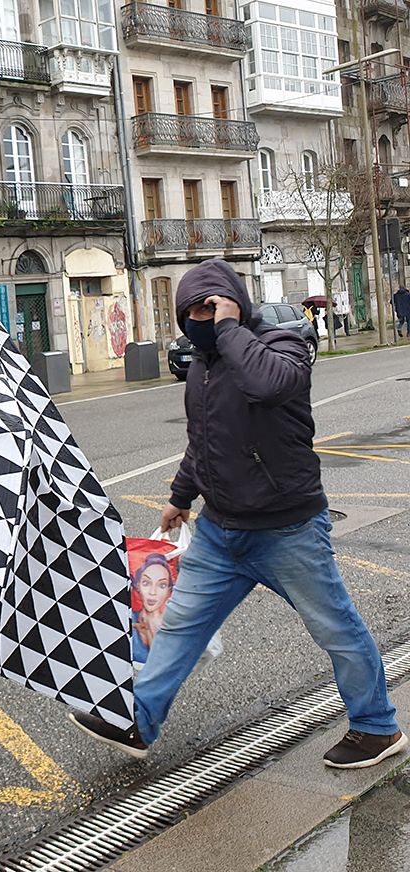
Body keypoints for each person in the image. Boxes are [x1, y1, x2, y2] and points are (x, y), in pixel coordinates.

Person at [68, 258, 405, 769]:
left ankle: (376, 728)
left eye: (211, 306)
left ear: (233, 303)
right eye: (192, 312)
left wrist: (228, 327)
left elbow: (268, 385)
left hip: (287, 529)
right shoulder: (201, 367)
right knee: (179, 625)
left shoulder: (281, 347)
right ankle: (141, 720)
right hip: (221, 531)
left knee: (335, 628)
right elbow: (202, 441)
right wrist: (182, 497)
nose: (201, 318)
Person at [131, 553, 174, 664]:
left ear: (169, 591)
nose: (152, 592)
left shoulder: (174, 623)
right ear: (137, 585)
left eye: (162, 585)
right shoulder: (127, 617)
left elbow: (164, 665)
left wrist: (151, 636)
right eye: (146, 583)